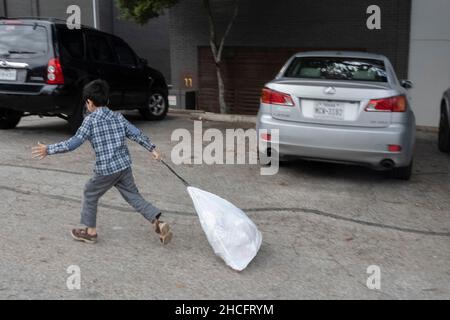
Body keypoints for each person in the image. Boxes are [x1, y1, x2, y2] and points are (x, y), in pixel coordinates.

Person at [31, 79, 172, 245]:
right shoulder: (118, 117)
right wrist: (152, 149)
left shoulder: (90, 121)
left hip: (106, 170)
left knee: (90, 192)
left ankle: (90, 232)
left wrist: (49, 149)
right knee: (133, 196)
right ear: (108, 100)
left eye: (87, 103)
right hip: (124, 167)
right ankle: (158, 222)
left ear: (89, 103)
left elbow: (73, 143)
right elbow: (136, 133)